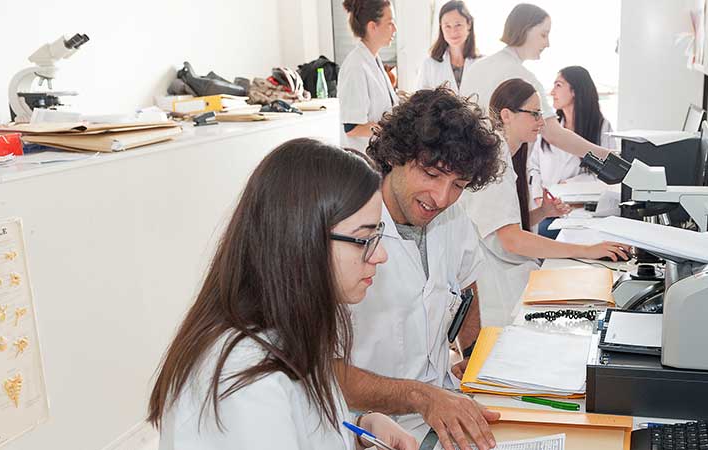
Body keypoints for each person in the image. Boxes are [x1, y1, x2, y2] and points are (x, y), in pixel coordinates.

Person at [148, 139, 416, 450]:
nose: (381, 255)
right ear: (303, 241)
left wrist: (360, 428)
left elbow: (305, 426)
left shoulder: (290, 327)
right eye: (364, 239)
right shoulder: (245, 381)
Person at [340, 87, 505, 450]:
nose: (442, 198)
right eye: (431, 174)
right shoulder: (346, 231)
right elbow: (324, 369)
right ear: (396, 156)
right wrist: (421, 397)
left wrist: (474, 355)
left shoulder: (453, 217)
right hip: (370, 428)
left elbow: (466, 285)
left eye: (458, 185)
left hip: (441, 411)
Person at [463, 79, 630, 326]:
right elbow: (511, 240)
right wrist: (588, 250)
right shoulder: (494, 160)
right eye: (534, 114)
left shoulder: (508, 155)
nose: (541, 123)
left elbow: (501, 226)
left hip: (509, 275)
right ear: (507, 115)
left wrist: (542, 212)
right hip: (498, 290)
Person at [458, 3, 612, 162]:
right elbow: (554, 134)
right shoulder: (524, 78)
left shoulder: (476, 67)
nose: (547, 44)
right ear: (525, 31)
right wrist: (608, 155)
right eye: (543, 35)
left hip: (469, 169)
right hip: (499, 167)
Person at [529, 66, 617, 238]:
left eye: (558, 85)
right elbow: (533, 167)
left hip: (582, 209)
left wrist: (568, 185)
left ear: (575, 90)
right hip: (548, 209)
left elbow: (608, 174)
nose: (552, 92)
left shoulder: (601, 127)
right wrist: (539, 197)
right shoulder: (547, 129)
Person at [338, 0, 399, 152]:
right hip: (363, 158)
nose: (395, 29)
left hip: (379, 155)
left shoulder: (373, 60)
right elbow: (352, 127)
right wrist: (393, 134)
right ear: (373, 27)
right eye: (390, 23)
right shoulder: (356, 66)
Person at [418, 1, 478, 93]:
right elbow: (421, 102)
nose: (453, 31)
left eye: (458, 25)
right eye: (447, 26)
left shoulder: (482, 63)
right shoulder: (429, 65)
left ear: (469, 24)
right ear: (441, 27)